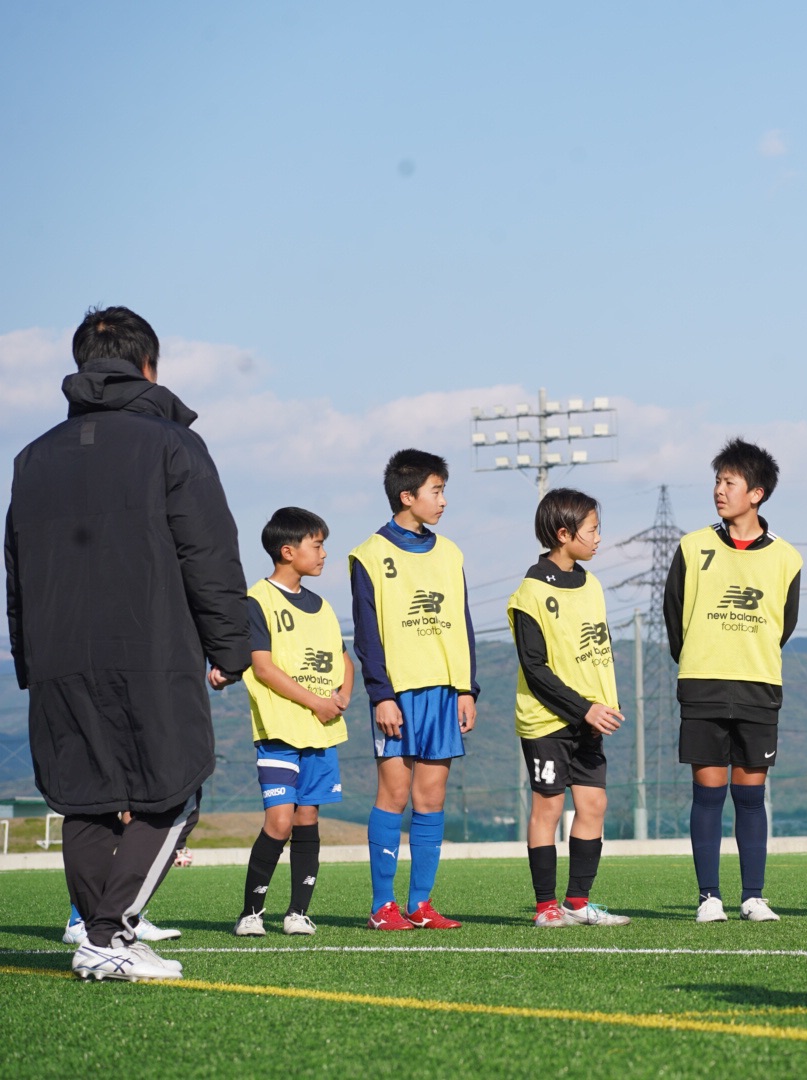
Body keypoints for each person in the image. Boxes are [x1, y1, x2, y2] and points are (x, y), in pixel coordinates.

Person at [6, 306, 250, 981]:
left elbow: (15, 570)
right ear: (148, 366)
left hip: (58, 656)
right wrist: (230, 647)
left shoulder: (32, 457)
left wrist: (28, 660)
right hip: (152, 646)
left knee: (85, 794)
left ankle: (103, 935)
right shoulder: (171, 445)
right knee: (176, 787)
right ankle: (109, 936)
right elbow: (210, 555)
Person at [665, 439, 802, 923]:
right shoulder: (692, 545)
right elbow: (674, 617)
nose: (719, 491)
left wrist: (749, 655)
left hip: (759, 686)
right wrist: (705, 656)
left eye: (730, 482)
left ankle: (753, 897)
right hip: (702, 684)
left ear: (757, 493)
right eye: (717, 481)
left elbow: (782, 624)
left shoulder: (787, 557)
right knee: (707, 793)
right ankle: (709, 898)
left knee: (749, 795)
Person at [350, 449, 477, 931]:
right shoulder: (369, 554)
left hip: (445, 692)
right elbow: (366, 634)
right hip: (398, 693)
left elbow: (461, 624)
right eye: (436, 491)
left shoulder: (450, 553)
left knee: (431, 797)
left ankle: (420, 905)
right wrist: (381, 694)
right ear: (408, 496)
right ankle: (383, 906)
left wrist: (467, 689)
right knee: (394, 793)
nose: (443, 501)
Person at [508, 488, 629, 928]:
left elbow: (598, 650)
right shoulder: (530, 593)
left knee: (594, 804)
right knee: (549, 809)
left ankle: (578, 902)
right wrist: (584, 709)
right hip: (547, 721)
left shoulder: (592, 583)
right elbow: (535, 669)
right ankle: (546, 907)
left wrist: (605, 706)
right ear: (564, 533)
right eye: (592, 529)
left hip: (590, 719)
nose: (599, 538)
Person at [234, 508, 353, 937]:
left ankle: (298, 912)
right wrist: (314, 702)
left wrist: (341, 696)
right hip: (280, 731)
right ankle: (251, 912)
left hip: (319, 734)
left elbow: (344, 660)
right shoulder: (256, 601)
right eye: (316, 545)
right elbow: (263, 668)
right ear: (288, 551)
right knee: (279, 821)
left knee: (307, 820)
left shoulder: (321, 606)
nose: (324, 554)